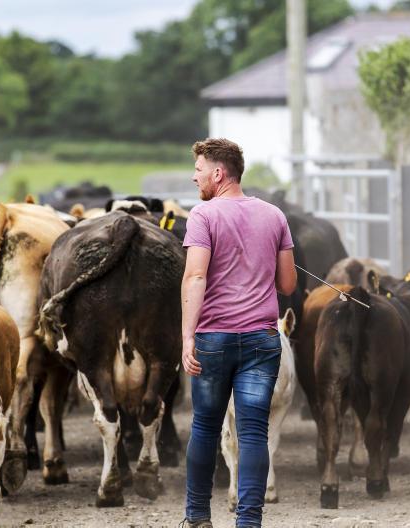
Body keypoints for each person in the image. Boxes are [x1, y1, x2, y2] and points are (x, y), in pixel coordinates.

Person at [180, 138, 297, 528]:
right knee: (252, 433)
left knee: (206, 427)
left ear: (218, 173)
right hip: (263, 341)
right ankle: (249, 521)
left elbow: (196, 275)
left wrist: (186, 337)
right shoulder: (275, 215)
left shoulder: (203, 215)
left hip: (214, 339)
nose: (194, 177)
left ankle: (197, 517)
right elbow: (287, 284)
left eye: (198, 171)